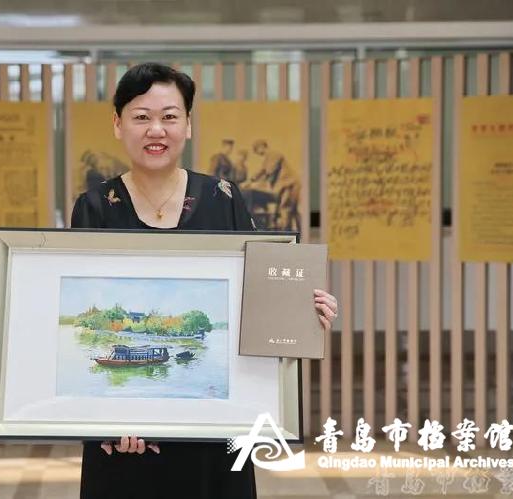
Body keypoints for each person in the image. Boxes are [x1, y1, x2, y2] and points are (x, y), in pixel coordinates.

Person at [71, 62, 338, 499]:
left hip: (214, 433)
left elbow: (261, 299)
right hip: (123, 438)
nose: (156, 130)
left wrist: (302, 313)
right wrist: (101, 419)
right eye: (141, 117)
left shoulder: (223, 199)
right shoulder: (96, 206)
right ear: (118, 124)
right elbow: (83, 310)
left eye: (170, 116)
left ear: (188, 125)